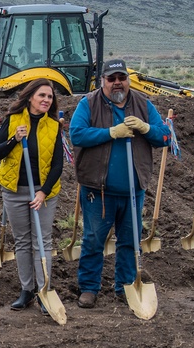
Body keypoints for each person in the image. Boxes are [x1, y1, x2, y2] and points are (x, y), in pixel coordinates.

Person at [69, 58, 170, 308]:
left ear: (127, 80)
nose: (117, 83)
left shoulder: (143, 105)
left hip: (133, 190)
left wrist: (147, 128)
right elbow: (77, 134)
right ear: (102, 80)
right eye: (111, 79)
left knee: (129, 241)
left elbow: (166, 136)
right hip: (98, 190)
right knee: (93, 240)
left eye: (121, 78)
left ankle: (125, 286)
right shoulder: (89, 104)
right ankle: (89, 288)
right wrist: (111, 132)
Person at [0, 78, 63, 312]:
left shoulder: (53, 126)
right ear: (30, 96)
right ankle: (26, 290)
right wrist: (15, 139)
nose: (46, 100)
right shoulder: (13, 121)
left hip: (44, 193)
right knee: (22, 241)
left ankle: (44, 291)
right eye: (42, 95)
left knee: (42, 241)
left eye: (49, 97)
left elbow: (58, 165)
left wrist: (43, 192)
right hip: (15, 190)